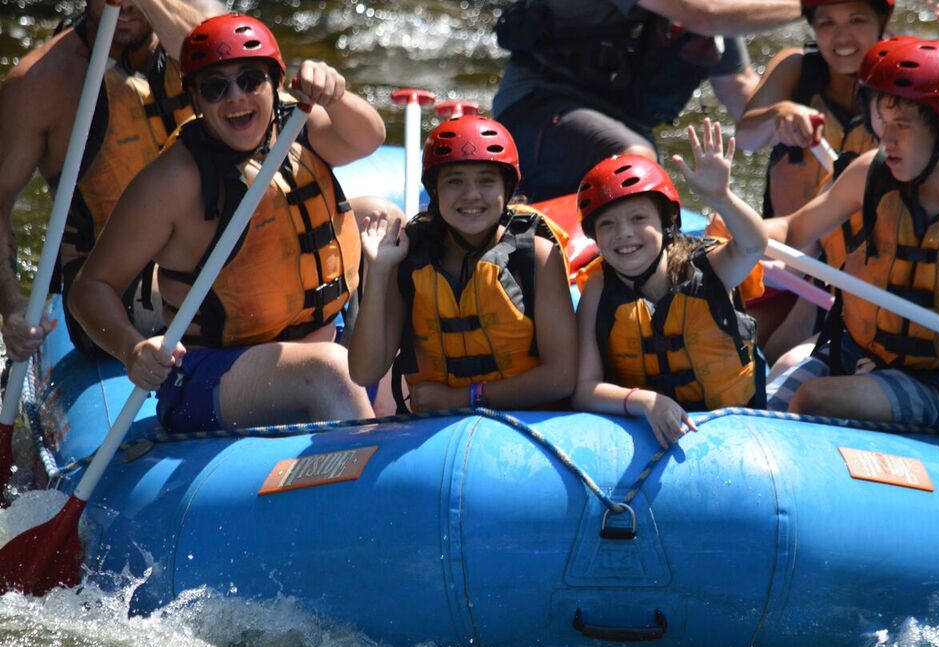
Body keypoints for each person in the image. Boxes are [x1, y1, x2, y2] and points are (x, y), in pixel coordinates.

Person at [69, 14, 385, 431]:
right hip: (211, 374)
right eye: (216, 88)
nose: (236, 98)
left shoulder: (297, 127)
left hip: (321, 337)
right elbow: (89, 289)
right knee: (332, 369)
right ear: (195, 101)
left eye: (251, 80)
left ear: (275, 84)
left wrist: (335, 94)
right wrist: (132, 350)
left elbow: (370, 137)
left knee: (390, 218)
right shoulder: (174, 180)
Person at [765, 36, 939, 437]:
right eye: (882, 123)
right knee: (757, 411)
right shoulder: (874, 172)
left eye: (902, 126)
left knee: (816, 399)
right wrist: (726, 213)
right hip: (855, 357)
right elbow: (793, 230)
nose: (887, 139)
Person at [736, 0, 939, 365]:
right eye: (827, 23)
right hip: (787, 252)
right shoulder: (796, 68)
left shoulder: (907, 79)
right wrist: (778, 114)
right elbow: (744, 138)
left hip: (854, 268)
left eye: (856, 20)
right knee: (734, 343)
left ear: (882, 21)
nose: (842, 37)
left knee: (779, 357)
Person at [0, 0, 225, 361]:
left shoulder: (201, 21)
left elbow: (221, 61)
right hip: (110, 291)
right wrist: (12, 306)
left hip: (208, 252)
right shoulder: (39, 84)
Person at [350, 115, 577, 413]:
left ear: (506, 189)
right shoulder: (410, 259)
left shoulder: (535, 256)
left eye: (486, 180)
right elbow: (364, 372)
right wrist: (379, 273)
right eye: (454, 181)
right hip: (437, 433)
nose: (471, 195)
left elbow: (561, 379)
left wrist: (463, 398)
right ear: (435, 191)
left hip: (524, 422)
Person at [572, 119, 769, 448]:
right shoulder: (597, 287)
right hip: (646, 422)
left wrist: (721, 197)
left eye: (639, 218)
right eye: (607, 224)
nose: (624, 234)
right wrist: (646, 401)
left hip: (732, 429)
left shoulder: (710, 267)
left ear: (666, 223)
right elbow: (583, 389)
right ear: (594, 237)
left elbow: (752, 246)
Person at [491, 0, 803, 202]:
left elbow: (739, 88)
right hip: (535, 107)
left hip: (618, 124)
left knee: (638, 167)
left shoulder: (716, 11)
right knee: (633, 161)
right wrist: (810, 6)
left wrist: (795, 122)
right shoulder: (707, 12)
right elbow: (703, 16)